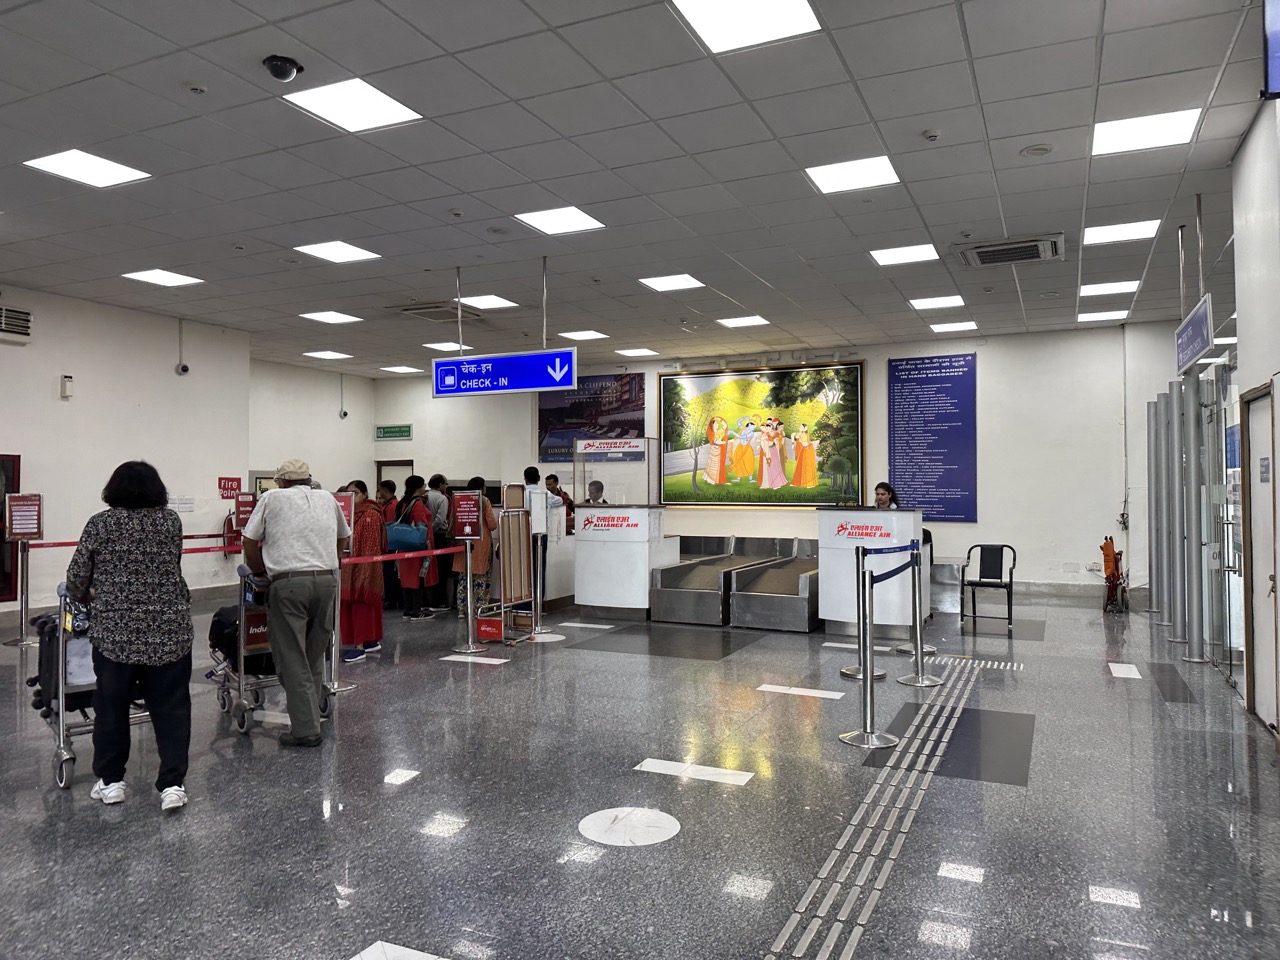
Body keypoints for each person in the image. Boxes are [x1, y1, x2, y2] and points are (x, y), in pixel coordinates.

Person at [66, 460, 194, 811]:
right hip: (169, 632)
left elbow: (78, 575)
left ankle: (111, 782)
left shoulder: (101, 523)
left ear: (114, 489)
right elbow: (173, 565)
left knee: (111, 707)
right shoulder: (170, 522)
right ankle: (172, 785)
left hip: (115, 635)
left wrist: (85, 594)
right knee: (171, 708)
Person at [242, 458, 350, 748]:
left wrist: (259, 570)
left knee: (291, 655)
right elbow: (343, 536)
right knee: (314, 652)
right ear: (309, 479)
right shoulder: (327, 498)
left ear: (281, 481)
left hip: (289, 583)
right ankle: (311, 713)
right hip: (327, 581)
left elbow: (250, 540)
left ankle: (305, 730)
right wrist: (329, 560)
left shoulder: (271, 497)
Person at [340, 481, 386, 663]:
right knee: (354, 607)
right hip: (349, 567)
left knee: (361, 605)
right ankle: (369, 641)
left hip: (365, 568)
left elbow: (371, 546)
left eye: (356, 493)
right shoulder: (348, 514)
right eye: (349, 493)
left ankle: (359, 647)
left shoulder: (370, 514)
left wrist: (365, 572)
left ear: (365, 494)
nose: (352, 497)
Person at [452, 476, 499, 618]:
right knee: (480, 577)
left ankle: (462, 610)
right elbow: (492, 525)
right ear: (482, 488)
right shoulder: (484, 500)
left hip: (462, 542)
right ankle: (478, 609)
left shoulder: (459, 499)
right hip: (480, 545)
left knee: (463, 578)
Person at [394, 475, 437, 620]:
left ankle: (408, 609)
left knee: (406, 578)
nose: (425, 488)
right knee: (418, 576)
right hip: (417, 545)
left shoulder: (403, 502)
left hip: (403, 545)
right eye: (423, 485)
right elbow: (421, 523)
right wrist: (428, 544)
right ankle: (416, 610)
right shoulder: (417, 503)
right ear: (418, 487)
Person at [524, 466, 564, 599]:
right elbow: (560, 501)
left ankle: (524, 599)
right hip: (540, 535)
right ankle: (538, 600)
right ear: (539, 479)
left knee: (523, 567)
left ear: (525, 479)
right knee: (539, 567)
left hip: (522, 535)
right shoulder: (545, 494)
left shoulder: (520, 494)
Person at [425, 474, 452, 612]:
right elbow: (440, 519)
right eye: (445, 484)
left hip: (425, 536)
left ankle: (428, 600)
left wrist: (427, 532)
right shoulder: (442, 499)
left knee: (427, 569)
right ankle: (441, 601)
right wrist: (432, 530)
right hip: (439, 536)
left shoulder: (424, 497)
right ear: (440, 484)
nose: (446, 486)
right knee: (442, 570)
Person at [376, 480, 401, 610]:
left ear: (385, 490)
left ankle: (391, 600)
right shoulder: (389, 505)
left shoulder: (391, 506)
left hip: (389, 546)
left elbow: (389, 527)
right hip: (388, 545)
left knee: (389, 574)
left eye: (380, 490)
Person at [702, 417, 729, 485]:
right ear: (712, 425)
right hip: (715, 450)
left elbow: (724, 427)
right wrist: (724, 442)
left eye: (717, 423)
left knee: (717, 465)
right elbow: (715, 442)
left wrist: (721, 420)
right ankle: (711, 479)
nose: (717, 424)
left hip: (718, 450)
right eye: (716, 423)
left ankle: (717, 479)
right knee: (713, 464)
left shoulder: (718, 431)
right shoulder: (712, 433)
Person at [791, 424, 819, 488]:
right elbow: (792, 434)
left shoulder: (804, 434)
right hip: (804, 449)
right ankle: (796, 482)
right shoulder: (800, 434)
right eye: (800, 427)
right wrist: (793, 444)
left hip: (808, 449)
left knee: (807, 465)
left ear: (805, 428)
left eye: (801, 427)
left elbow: (803, 441)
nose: (799, 428)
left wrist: (798, 436)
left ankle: (809, 483)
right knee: (799, 464)